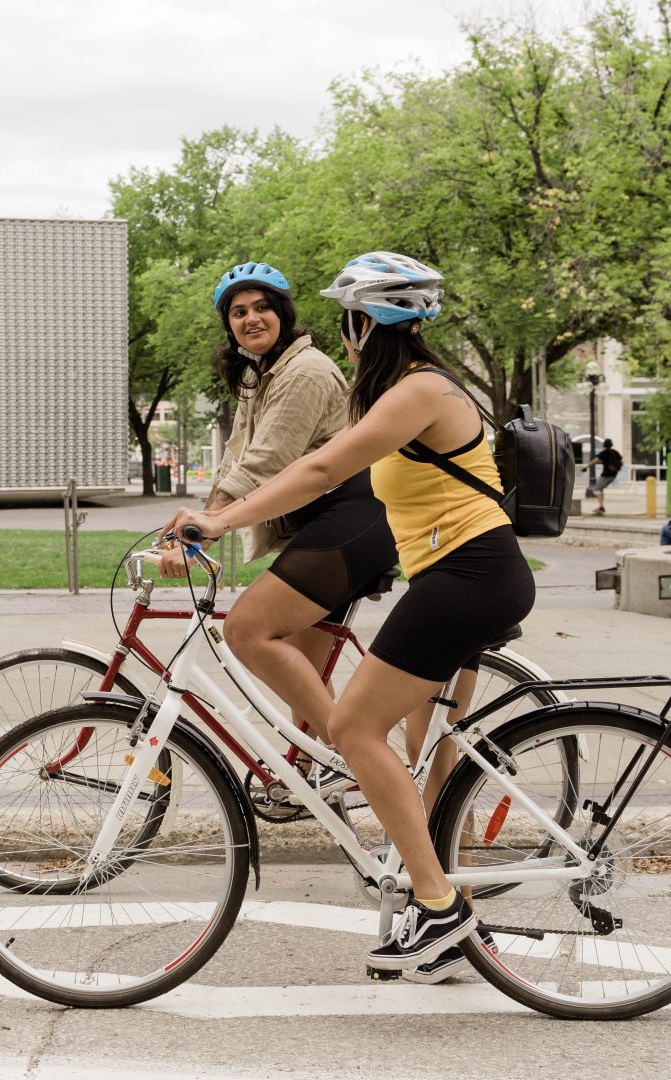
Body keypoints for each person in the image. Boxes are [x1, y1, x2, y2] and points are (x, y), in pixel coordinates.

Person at [166, 252, 535, 977]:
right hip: (460, 577)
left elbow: (317, 471)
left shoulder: (418, 390)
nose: (346, 334)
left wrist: (218, 520)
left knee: (352, 726)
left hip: (470, 576)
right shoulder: (404, 388)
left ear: (364, 321)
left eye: (350, 320)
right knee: (408, 738)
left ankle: (441, 909)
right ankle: (428, 901)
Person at [159, 261, 398, 753]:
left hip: (352, 519)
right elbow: (235, 459)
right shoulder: (262, 374)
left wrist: (206, 529)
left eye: (262, 307)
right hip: (329, 523)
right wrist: (197, 524)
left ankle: (361, 759)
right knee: (302, 672)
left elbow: (265, 463)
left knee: (247, 630)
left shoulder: (304, 372)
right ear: (229, 324)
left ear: (283, 315)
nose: (252, 319)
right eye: (239, 311)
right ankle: (315, 775)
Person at [585, 438, 622, 515]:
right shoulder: (615, 452)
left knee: (596, 490)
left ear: (604, 445)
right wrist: (615, 469)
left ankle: (601, 507)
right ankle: (601, 507)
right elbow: (621, 462)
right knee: (600, 489)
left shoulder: (604, 453)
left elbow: (594, 461)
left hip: (605, 475)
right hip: (613, 475)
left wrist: (586, 467)